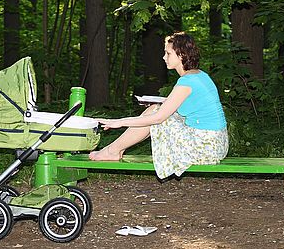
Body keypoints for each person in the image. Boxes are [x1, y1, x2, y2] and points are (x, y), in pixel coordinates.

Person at [88, 31, 229, 180]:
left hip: (206, 147)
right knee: (153, 109)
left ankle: (112, 150)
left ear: (181, 55)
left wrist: (119, 122)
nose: (164, 57)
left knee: (155, 114)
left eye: (168, 53)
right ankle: (115, 150)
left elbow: (158, 119)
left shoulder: (187, 82)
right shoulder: (199, 75)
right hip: (217, 143)